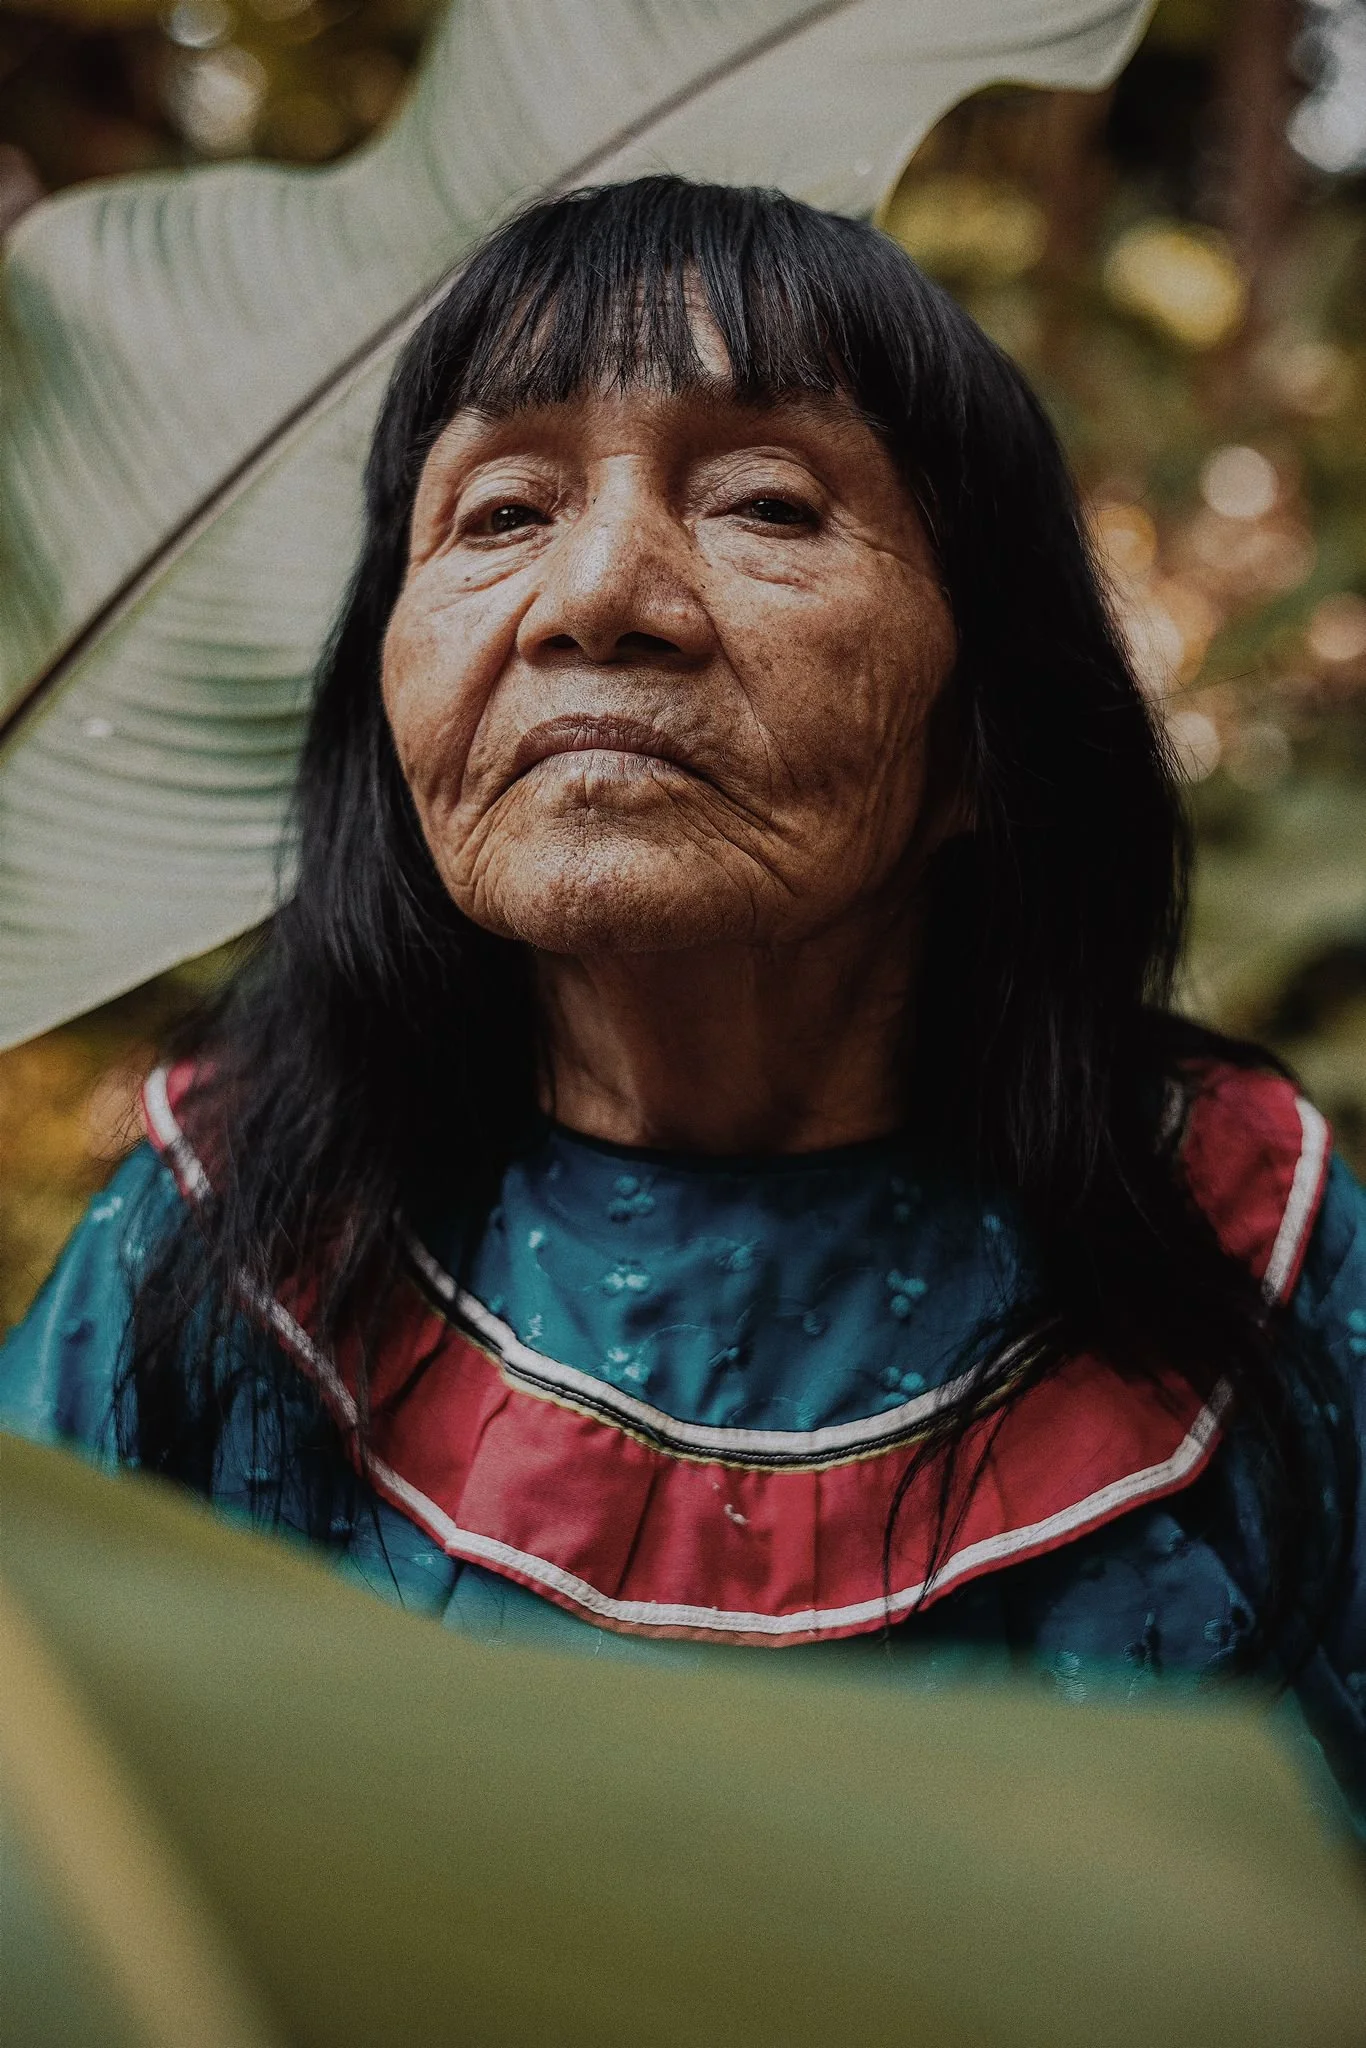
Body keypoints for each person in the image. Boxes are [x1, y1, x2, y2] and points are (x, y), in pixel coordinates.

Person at [2, 177, 1363, 1825]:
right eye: (500, 513)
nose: (594, 597)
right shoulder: (225, 1233)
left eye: (766, 505)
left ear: (984, 728)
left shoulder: (1239, 1240)